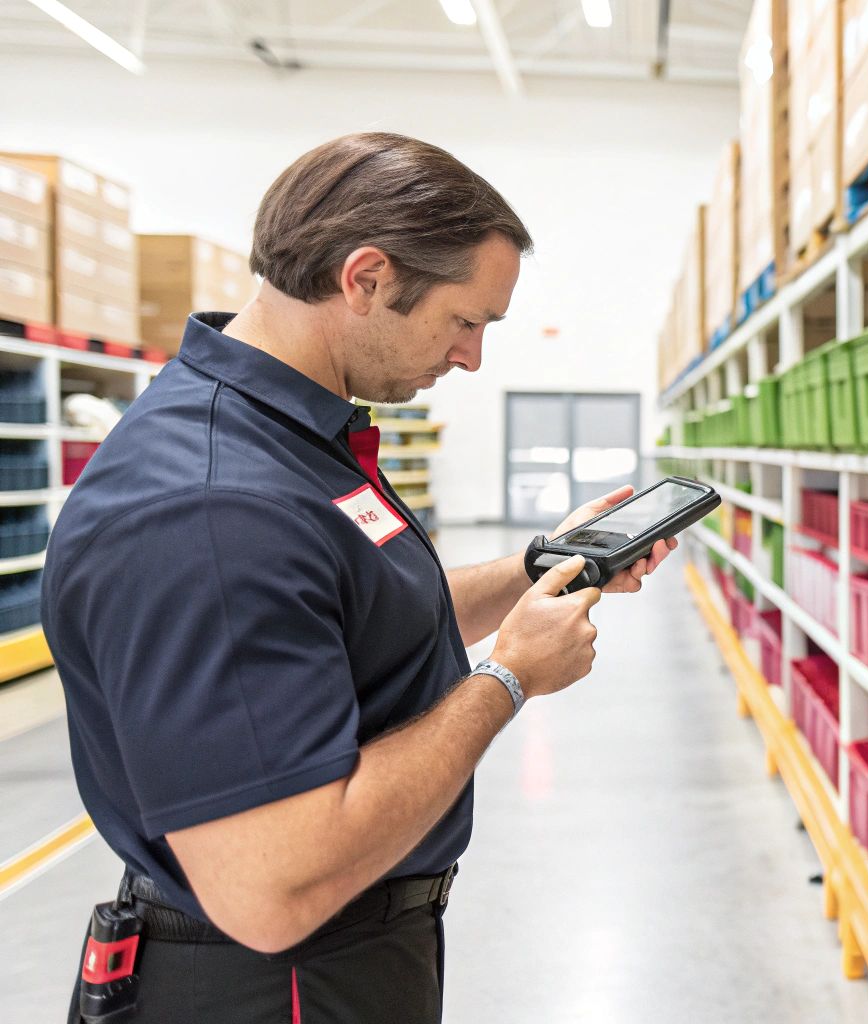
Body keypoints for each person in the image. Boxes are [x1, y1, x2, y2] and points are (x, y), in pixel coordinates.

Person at [43, 131, 673, 1023]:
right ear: (367, 278)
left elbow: (360, 617)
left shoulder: (291, 436)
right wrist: (509, 677)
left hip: (347, 956)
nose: (471, 359)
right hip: (276, 985)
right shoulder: (213, 509)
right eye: (467, 322)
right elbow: (272, 889)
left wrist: (539, 568)